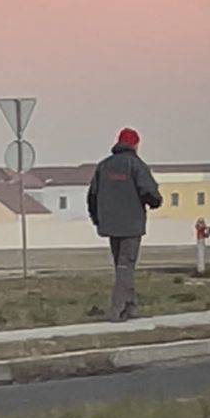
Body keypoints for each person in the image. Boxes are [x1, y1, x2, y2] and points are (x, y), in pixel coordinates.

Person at [87, 128, 163, 322]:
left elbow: (92, 196)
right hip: (131, 225)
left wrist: (97, 220)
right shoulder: (136, 165)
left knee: (121, 266)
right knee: (126, 267)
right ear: (135, 144)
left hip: (110, 225)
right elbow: (150, 192)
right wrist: (155, 201)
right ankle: (117, 310)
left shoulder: (104, 166)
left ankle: (130, 307)